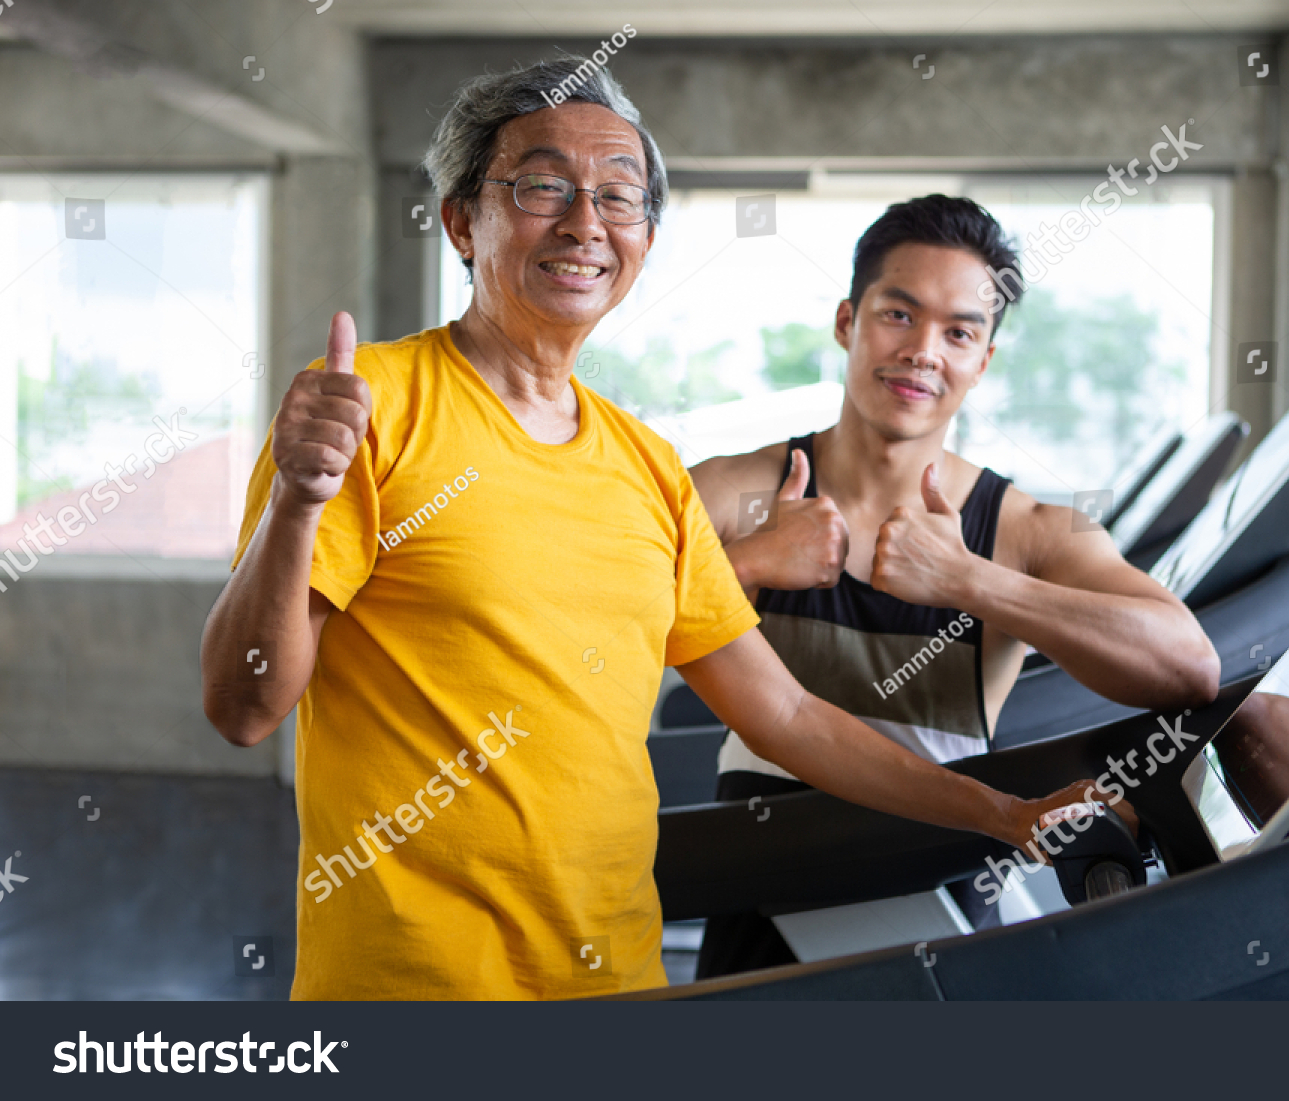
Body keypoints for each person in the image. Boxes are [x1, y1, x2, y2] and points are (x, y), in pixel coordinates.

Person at [199, 62, 1113, 1000]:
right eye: (544, 185)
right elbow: (243, 707)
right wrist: (298, 505)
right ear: (463, 219)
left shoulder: (645, 464)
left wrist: (1006, 813)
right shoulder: (367, 410)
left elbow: (788, 715)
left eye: (619, 197)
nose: (585, 222)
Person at [688, 195, 1219, 978]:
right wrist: (745, 567)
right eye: (898, 315)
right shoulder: (736, 493)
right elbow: (587, 626)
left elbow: (1188, 664)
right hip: (764, 882)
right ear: (847, 321)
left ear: (984, 359)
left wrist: (972, 579)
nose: (923, 351)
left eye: (959, 331)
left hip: (936, 896)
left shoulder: (1026, 528)